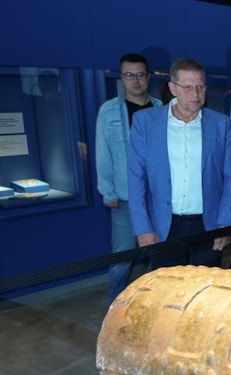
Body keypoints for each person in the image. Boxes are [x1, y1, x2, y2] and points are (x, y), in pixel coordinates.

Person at [127, 57, 231, 270]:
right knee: (166, 287)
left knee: (205, 286)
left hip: (209, 225)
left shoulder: (221, 124)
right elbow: (136, 179)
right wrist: (143, 228)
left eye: (200, 87)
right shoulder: (145, 122)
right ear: (172, 88)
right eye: (187, 87)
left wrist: (226, 224)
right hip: (164, 226)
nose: (195, 94)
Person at [96, 53, 162, 303]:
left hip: (158, 198)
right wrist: (108, 192)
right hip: (124, 199)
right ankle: (115, 307)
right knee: (121, 259)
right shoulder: (109, 111)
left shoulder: (161, 109)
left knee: (159, 255)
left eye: (140, 74)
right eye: (129, 75)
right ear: (121, 77)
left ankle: (155, 306)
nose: (135, 80)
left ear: (148, 77)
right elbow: (102, 152)